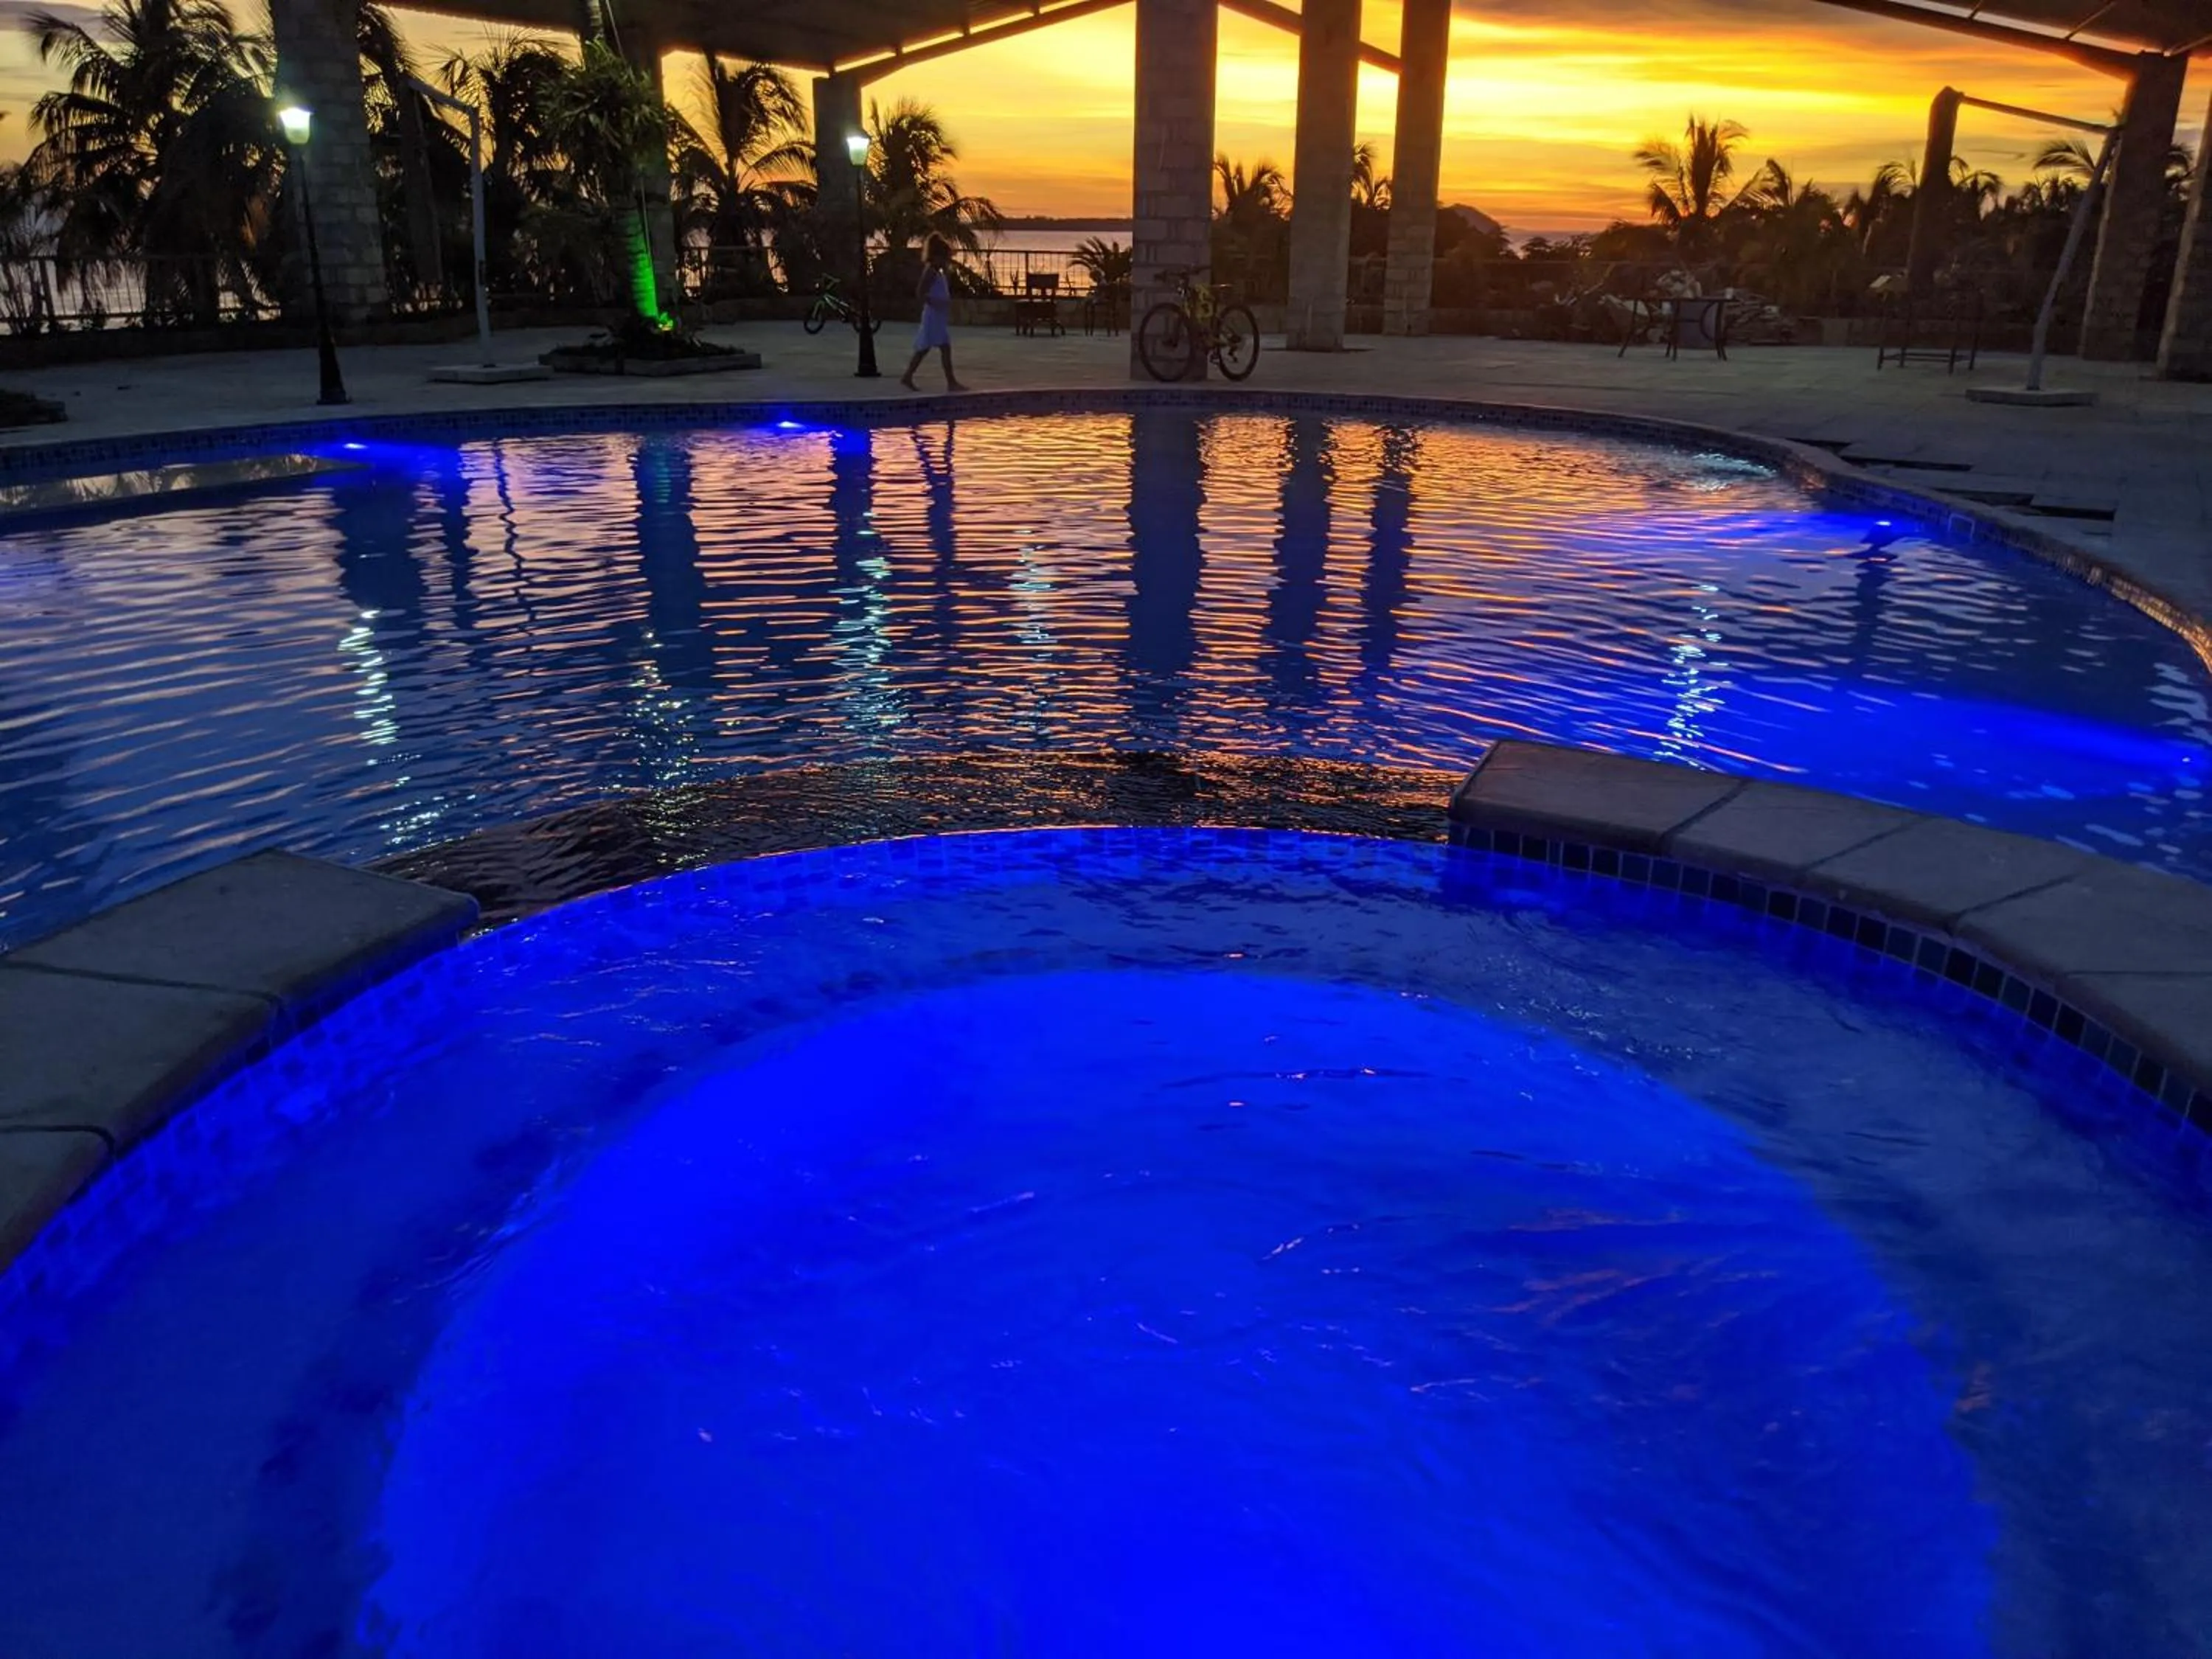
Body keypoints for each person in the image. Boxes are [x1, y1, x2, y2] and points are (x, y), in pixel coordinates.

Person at [901, 234, 967, 392]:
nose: (946, 261)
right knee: (941, 347)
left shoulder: (938, 272)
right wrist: (935, 302)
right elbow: (920, 292)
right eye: (944, 258)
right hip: (933, 315)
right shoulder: (930, 271)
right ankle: (951, 382)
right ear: (936, 256)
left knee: (925, 348)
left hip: (938, 316)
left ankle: (908, 376)